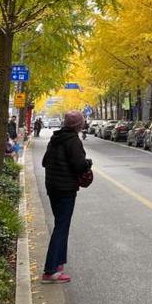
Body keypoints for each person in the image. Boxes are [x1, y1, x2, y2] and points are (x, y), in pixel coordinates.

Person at [41, 111, 92, 284]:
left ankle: (58, 263)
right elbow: (79, 165)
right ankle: (51, 270)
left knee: (60, 224)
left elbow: (44, 162)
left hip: (52, 186)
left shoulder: (55, 139)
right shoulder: (73, 141)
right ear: (79, 125)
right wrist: (88, 163)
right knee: (61, 228)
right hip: (65, 189)